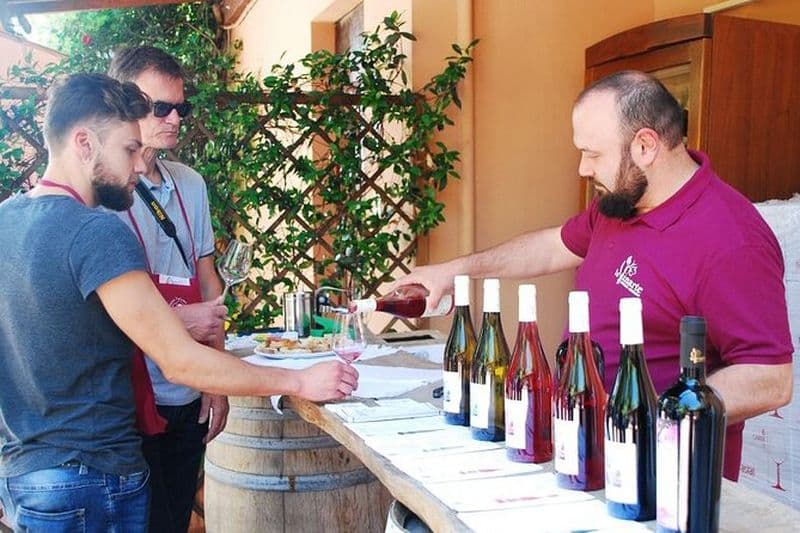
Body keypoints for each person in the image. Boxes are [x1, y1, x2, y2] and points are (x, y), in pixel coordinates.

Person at [0, 73, 357, 532]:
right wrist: (301, 381)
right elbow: (181, 362)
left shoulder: (7, 221)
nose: (136, 166)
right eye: (128, 150)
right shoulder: (97, 233)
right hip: (92, 479)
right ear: (84, 143)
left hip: (25, 477)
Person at [396, 70, 793, 481]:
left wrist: (648, 415)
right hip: (582, 456)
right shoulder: (620, 204)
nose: (583, 168)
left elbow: (770, 378)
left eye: (593, 153)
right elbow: (551, 246)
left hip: (663, 477)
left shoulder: (731, 240)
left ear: (645, 145)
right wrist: (454, 270)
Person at [107, 45, 226, 533]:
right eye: (162, 108)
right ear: (126, 106)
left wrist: (216, 381)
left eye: (182, 107)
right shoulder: (104, 190)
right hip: (124, 398)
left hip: (185, 391)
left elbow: (208, 282)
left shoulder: (190, 183)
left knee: (174, 521)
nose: (175, 119)